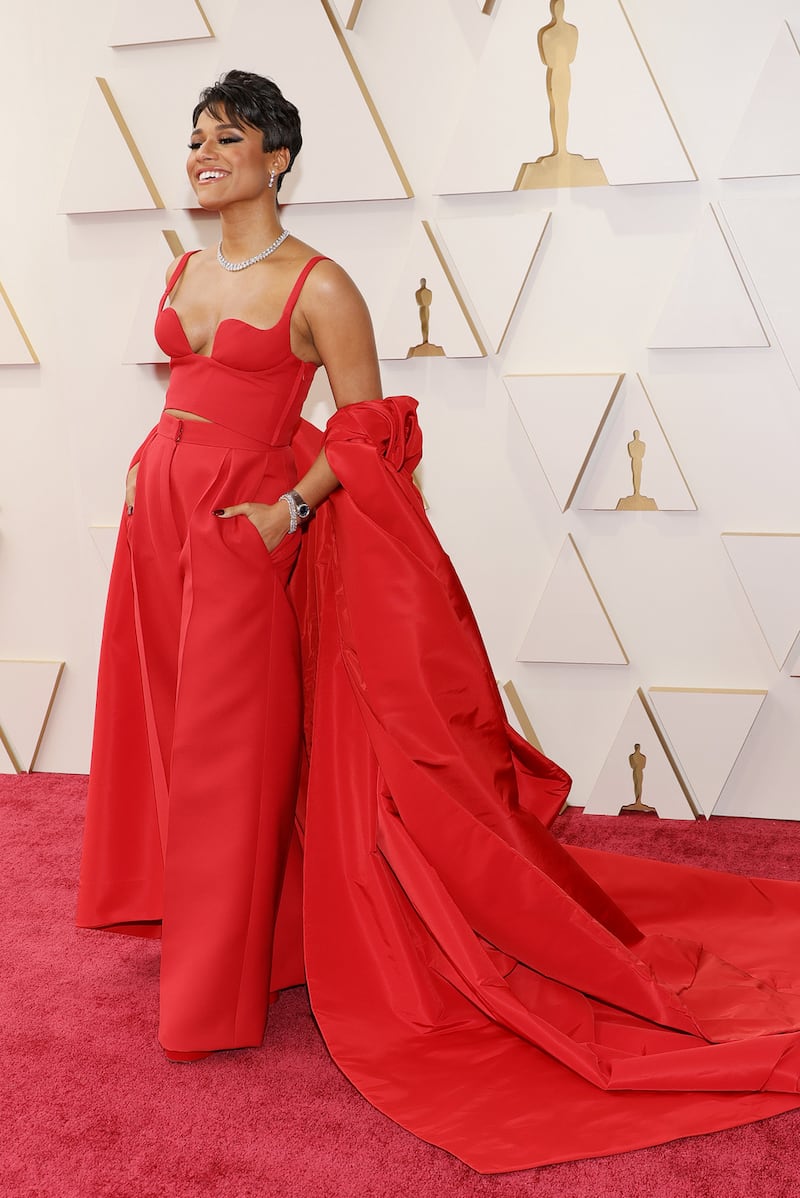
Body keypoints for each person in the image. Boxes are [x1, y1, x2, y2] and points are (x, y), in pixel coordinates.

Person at [78, 70, 800, 1174]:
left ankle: (211, 998)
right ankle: (246, 937)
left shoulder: (321, 286)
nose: (203, 153)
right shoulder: (181, 271)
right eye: (195, 139)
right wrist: (142, 467)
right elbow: (184, 396)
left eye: (228, 137)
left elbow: (365, 431)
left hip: (244, 532)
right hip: (157, 523)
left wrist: (282, 510)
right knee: (171, 739)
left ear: (279, 158)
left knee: (233, 752)